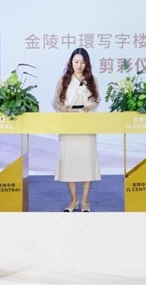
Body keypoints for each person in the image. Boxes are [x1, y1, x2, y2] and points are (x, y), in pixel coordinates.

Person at [52, 48, 101, 212]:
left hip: (86, 123)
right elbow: (55, 101)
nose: (79, 65)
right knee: (69, 163)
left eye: (82, 62)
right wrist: (61, 107)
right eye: (76, 62)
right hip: (68, 124)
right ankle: (74, 200)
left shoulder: (92, 80)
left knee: (87, 162)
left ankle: (85, 200)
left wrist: (89, 107)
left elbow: (97, 100)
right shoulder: (63, 80)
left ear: (87, 63)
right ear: (71, 62)